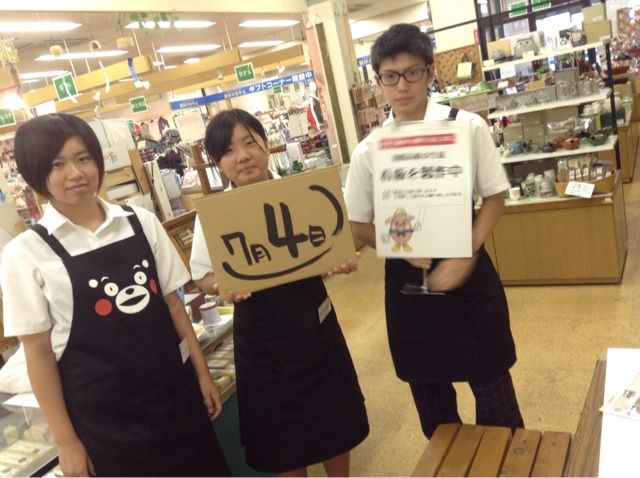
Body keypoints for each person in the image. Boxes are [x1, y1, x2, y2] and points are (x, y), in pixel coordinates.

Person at [0, 113, 230, 477]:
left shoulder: (140, 222)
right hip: (105, 426)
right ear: (34, 173)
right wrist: (66, 441)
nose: (75, 173)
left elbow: (174, 306)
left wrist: (202, 375)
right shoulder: (25, 254)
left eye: (83, 158)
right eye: (57, 164)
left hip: (177, 401)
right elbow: (38, 355)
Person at [344, 23, 524, 439]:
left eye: (411, 73)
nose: (401, 86)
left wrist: (467, 249)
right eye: (390, 76)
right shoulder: (370, 149)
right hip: (409, 279)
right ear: (377, 82)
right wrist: (398, 246)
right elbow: (358, 222)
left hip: (469, 268)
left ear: (429, 72)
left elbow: (494, 197)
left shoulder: (466, 126)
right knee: (434, 406)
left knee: (495, 392)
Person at [190, 109, 369, 476]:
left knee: (333, 420)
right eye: (228, 151)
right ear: (218, 163)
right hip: (261, 340)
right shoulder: (215, 213)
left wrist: (340, 260)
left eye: (249, 142)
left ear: (266, 143)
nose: (242, 156)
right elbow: (203, 277)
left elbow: (334, 245)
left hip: (314, 326)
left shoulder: (300, 193)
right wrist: (223, 287)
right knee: (280, 438)